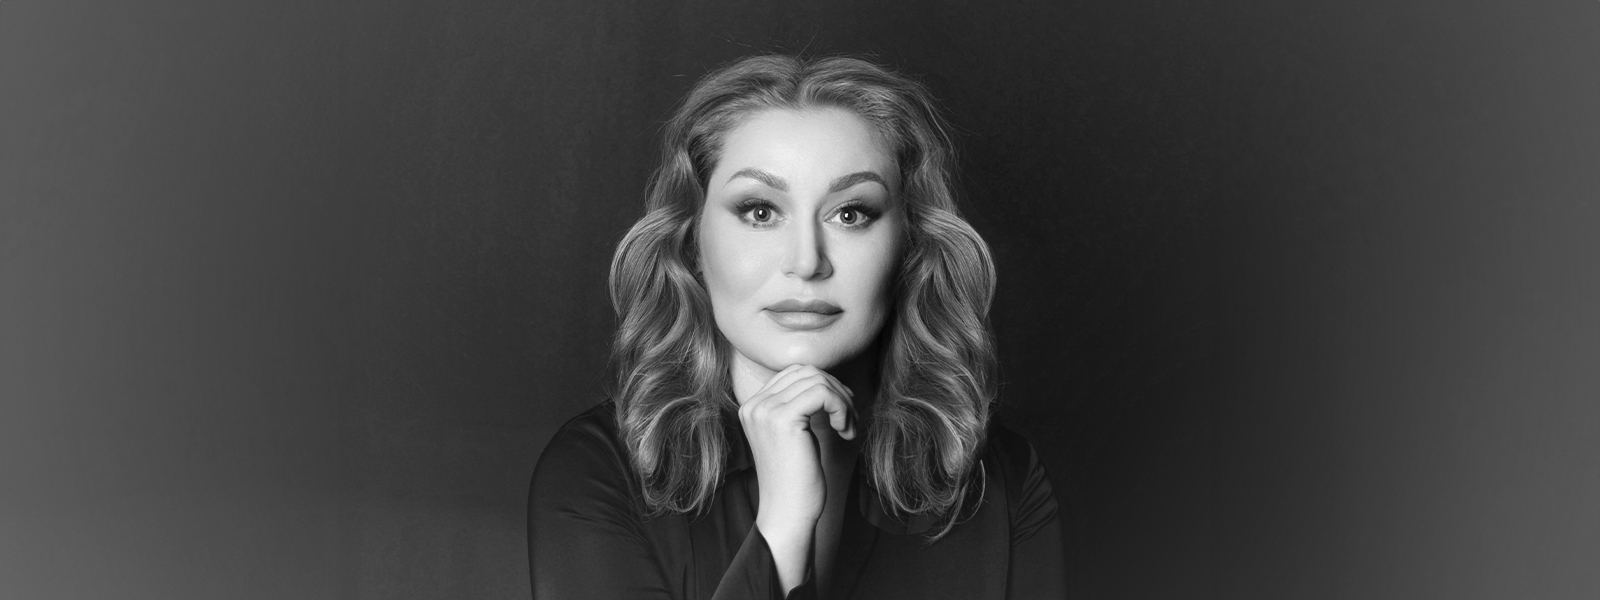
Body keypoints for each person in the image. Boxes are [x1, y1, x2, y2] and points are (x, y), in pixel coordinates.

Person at [528, 54, 1065, 600]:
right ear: (692, 244)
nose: (807, 262)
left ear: (910, 246)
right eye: (760, 212)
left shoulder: (1000, 479)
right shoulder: (598, 468)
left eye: (851, 214)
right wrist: (783, 524)